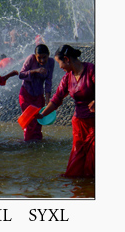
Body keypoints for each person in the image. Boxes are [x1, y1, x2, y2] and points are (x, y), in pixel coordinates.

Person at [37, 45, 94, 178]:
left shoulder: (91, 70)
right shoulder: (67, 78)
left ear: (67, 59)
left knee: (92, 164)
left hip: (94, 125)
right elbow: (56, 100)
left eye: (59, 63)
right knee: (75, 169)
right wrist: (42, 114)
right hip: (79, 126)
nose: (60, 67)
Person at [18, 44, 55, 141]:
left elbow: (48, 82)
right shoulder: (31, 59)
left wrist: (47, 102)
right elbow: (21, 75)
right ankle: (28, 143)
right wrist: (35, 71)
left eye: (44, 57)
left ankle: (37, 143)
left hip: (39, 95)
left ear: (48, 55)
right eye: (39, 58)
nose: (42, 60)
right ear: (35, 56)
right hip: (26, 93)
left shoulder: (51, 62)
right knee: (29, 121)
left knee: (39, 121)